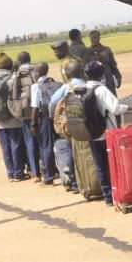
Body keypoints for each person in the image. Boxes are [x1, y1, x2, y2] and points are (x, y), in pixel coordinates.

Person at [82, 60, 128, 205]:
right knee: (112, 164)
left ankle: (107, 196)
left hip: (90, 132)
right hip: (107, 132)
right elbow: (115, 108)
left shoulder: (82, 89)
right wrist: (128, 107)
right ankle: (116, 194)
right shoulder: (101, 90)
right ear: (102, 74)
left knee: (100, 165)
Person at [49, 58, 85, 193]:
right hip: (88, 124)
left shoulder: (66, 87)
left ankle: (74, 182)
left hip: (70, 125)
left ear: (67, 74)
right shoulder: (88, 84)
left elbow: (52, 103)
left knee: (71, 150)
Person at [0, 55, 27, 182]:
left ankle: (10, 173)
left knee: (5, 147)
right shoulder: (11, 78)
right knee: (16, 145)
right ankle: (18, 172)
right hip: (12, 117)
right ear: (9, 65)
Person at [30, 63, 60, 186]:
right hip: (57, 116)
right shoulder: (55, 83)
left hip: (44, 118)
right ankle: (61, 171)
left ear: (37, 73)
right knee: (59, 143)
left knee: (45, 146)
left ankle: (48, 176)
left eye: (34, 71)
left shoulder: (36, 86)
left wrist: (33, 123)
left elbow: (35, 106)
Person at [15, 52, 40, 181]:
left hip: (25, 110)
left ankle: (34, 171)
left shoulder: (17, 74)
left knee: (29, 142)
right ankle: (46, 168)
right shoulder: (36, 69)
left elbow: (14, 94)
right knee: (41, 140)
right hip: (38, 108)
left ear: (19, 62)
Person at [87, 30, 122, 95]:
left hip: (108, 79)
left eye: (95, 37)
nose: (93, 40)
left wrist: (118, 76)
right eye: (91, 38)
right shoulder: (87, 52)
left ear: (99, 38)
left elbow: (113, 65)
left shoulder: (106, 49)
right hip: (96, 82)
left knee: (112, 98)